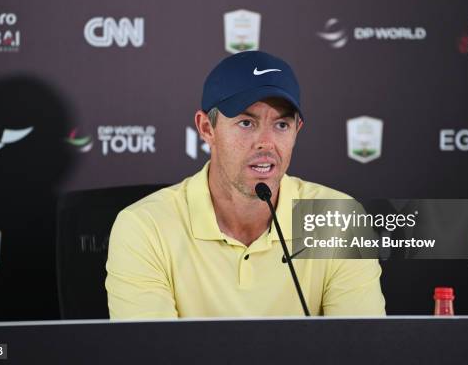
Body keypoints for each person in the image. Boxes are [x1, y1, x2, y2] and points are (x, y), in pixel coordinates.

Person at [105, 51, 385, 318]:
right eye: (246, 123)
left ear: (297, 130)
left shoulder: (339, 219)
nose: (266, 142)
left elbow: (363, 349)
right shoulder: (144, 227)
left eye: (281, 125)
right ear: (206, 128)